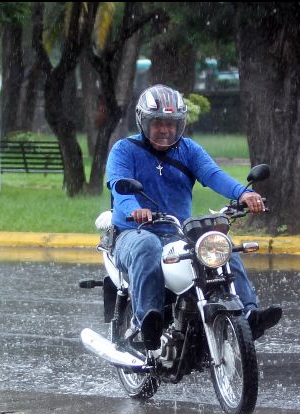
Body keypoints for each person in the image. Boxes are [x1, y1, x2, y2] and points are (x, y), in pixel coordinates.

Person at [106, 84, 282, 351]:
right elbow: (119, 185)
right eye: (158, 123)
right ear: (143, 121)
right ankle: (148, 322)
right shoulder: (124, 150)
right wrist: (134, 209)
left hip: (176, 231)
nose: (165, 129)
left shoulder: (188, 150)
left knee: (217, 242)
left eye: (172, 124)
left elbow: (214, 175)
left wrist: (243, 194)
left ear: (181, 124)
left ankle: (248, 315)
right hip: (133, 233)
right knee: (147, 246)